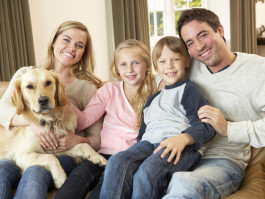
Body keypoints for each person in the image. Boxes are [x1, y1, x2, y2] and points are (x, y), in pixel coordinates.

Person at [159, 8, 265, 198]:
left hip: (221, 161)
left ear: (220, 30)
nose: (199, 47)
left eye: (203, 35)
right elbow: (155, 78)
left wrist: (229, 129)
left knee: (184, 184)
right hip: (180, 154)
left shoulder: (258, 68)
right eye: (190, 43)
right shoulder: (187, 67)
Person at [99, 36, 216, 199]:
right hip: (148, 143)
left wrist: (183, 138)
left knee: (146, 173)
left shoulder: (189, 90)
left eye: (175, 59)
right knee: (117, 161)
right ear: (155, 67)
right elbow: (144, 132)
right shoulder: (153, 98)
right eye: (162, 62)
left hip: (177, 146)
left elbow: (206, 126)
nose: (169, 66)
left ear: (187, 61)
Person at [0, 21, 103, 199]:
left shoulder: (88, 88)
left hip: (62, 151)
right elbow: (2, 110)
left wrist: (77, 139)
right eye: (66, 40)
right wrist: (34, 124)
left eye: (79, 45)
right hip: (15, 151)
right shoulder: (25, 74)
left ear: (83, 52)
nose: (72, 48)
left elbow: (97, 139)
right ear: (53, 42)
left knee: (35, 173)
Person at [55, 39, 157, 199]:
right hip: (102, 155)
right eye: (123, 64)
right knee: (74, 182)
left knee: (102, 191)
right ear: (116, 69)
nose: (129, 69)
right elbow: (83, 120)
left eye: (136, 63)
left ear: (148, 66)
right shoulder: (109, 90)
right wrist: (63, 98)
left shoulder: (155, 92)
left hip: (128, 160)